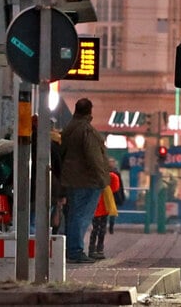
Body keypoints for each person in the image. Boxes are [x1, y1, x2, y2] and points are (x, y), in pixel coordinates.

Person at [60, 97, 110, 264]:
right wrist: (102, 178)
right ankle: (75, 250)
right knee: (81, 217)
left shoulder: (68, 128)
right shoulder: (86, 130)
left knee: (74, 215)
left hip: (71, 180)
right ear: (90, 111)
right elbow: (93, 157)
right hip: (88, 181)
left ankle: (70, 249)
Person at [88, 168, 121, 259]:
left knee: (99, 230)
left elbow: (115, 186)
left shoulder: (106, 184)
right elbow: (115, 187)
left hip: (102, 209)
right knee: (98, 229)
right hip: (99, 209)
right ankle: (96, 249)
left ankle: (96, 249)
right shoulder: (101, 185)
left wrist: (110, 174)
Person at [107, 158, 125, 234]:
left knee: (110, 212)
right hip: (112, 194)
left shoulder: (107, 172)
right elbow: (120, 185)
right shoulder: (116, 173)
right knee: (111, 212)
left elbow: (120, 185)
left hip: (112, 194)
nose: (112, 163)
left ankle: (109, 227)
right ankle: (109, 227)